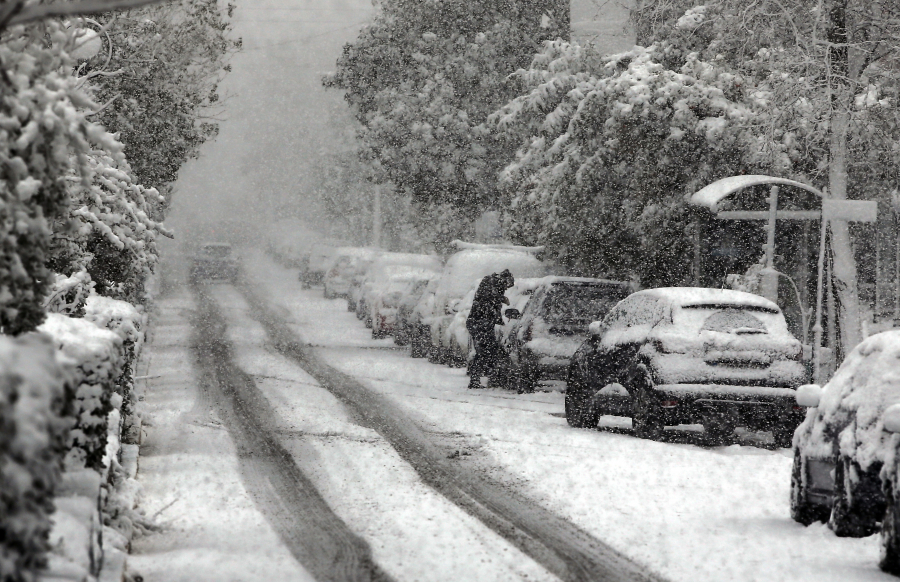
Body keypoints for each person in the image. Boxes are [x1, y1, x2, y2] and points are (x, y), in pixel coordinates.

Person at [466, 269, 514, 389]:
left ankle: (479, 378)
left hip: (477, 322)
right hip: (481, 323)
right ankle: (484, 379)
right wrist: (500, 320)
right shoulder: (495, 285)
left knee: (484, 351)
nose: (506, 288)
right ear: (505, 281)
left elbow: (488, 300)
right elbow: (492, 306)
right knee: (486, 351)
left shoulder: (489, 282)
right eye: (507, 286)